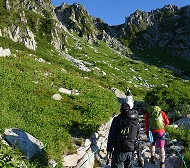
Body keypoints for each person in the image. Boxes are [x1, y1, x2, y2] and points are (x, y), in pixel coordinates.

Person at [106, 100, 139, 168]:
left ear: (121, 110)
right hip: (131, 149)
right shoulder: (135, 119)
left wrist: (109, 151)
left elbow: (111, 136)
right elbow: (137, 135)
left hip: (119, 150)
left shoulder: (117, 119)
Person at [144, 101, 169, 168]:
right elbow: (167, 122)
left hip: (152, 132)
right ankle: (162, 163)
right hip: (161, 132)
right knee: (161, 148)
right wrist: (162, 127)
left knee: (152, 144)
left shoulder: (148, 113)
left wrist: (146, 132)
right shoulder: (161, 112)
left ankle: (152, 157)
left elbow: (146, 123)